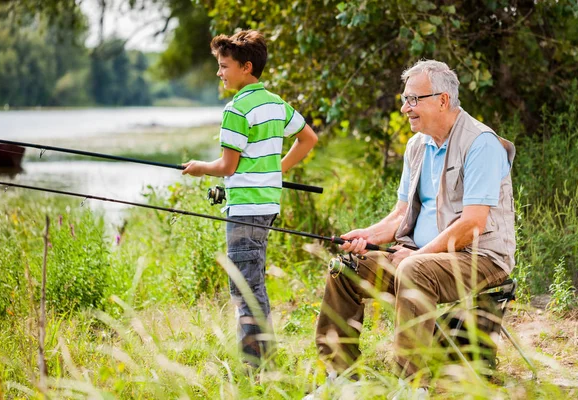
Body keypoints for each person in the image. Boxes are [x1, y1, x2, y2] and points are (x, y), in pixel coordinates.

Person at [313, 60, 516, 385]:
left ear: (442, 100)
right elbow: (400, 215)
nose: (406, 108)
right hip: (420, 257)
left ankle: (411, 386)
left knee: (412, 269)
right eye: (404, 100)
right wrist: (366, 235)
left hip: (481, 259)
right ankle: (339, 376)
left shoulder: (481, 144)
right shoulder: (416, 145)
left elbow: (473, 224)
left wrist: (419, 256)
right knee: (345, 266)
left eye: (413, 99)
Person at [182, 30, 318, 368]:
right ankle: (263, 359)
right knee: (252, 281)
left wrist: (200, 168)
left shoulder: (236, 110)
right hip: (267, 205)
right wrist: (276, 171)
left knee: (244, 288)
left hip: (245, 210)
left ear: (246, 67)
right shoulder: (275, 103)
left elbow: (227, 166)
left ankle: (256, 366)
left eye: (224, 66)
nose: (219, 72)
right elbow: (308, 138)